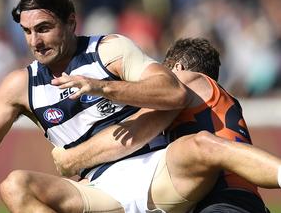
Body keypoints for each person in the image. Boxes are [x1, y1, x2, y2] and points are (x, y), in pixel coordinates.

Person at [48, 38, 280, 213]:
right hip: (243, 201)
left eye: (162, 71)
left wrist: (74, 158)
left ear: (177, 68)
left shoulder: (186, 80)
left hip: (221, 201)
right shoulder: (212, 98)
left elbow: (133, 130)